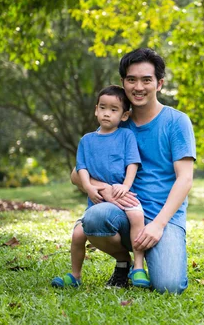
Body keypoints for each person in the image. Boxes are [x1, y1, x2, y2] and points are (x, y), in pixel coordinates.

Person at [71, 48, 195, 294]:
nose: (138, 87)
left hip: (163, 218)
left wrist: (158, 225)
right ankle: (124, 261)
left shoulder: (176, 122)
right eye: (132, 79)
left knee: (169, 287)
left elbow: (185, 179)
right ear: (122, 82)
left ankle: (154, 254)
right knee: (94, 219)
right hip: (120, 213)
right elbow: (76, 174)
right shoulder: (115, 120)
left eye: (146, 80)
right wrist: (104, 189)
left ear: (159, 84)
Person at [51, 85, 150, 288]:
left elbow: (132, 163)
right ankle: (75, 276)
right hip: (97, 201)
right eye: (103, 108)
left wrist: (125, 185)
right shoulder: (87, 141)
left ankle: (138, 267)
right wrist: (88, 187)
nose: (107, 113)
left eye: (114, 109)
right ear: (96, 109)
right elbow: (82, 168)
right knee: (78, 234)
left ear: (124, 116)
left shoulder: (125, 136)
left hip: (123, 194)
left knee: (137, 215)